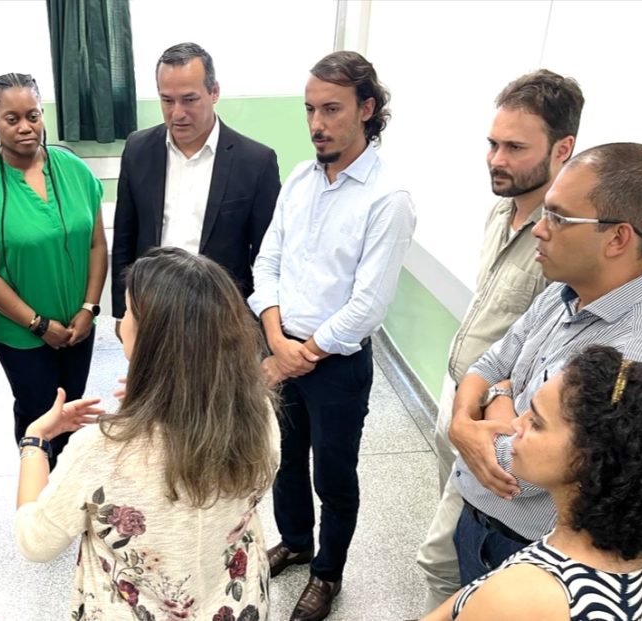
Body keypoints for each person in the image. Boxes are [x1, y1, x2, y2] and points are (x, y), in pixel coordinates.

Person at [446, 142, 642, 588]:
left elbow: (532, 468)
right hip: (480, 519)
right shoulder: (563, 291)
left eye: (558, 217)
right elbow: (491, 360)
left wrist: (494, 399)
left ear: (618, 238)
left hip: (534, 555)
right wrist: (463, 418)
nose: (539, 228)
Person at [15, 247, 280, 620]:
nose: (121, 322)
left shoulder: (101, 450)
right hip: (235, 604)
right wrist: (167, 396)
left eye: (127, 313)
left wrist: (35, 441)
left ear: (151, 339)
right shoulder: (258, 411)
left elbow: (35, 541)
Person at [248, 51, 416, 621]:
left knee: (334, 475)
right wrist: (276, 337)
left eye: (331, 109)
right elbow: (267, 262)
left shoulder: (388, 198)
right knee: (284, 460)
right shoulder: (300, 178)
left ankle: (327, 573)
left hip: (337, 365)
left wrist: (298, 356)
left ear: (366, 109)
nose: (316, 124)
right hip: (282, 343)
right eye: (310, 109)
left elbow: (367, 305)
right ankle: (296, 541)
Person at [417, 70, 585, 611]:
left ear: (562, 149)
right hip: (462, 393)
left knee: (441, 559)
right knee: (460, 540)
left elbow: (541, 360)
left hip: (499, 422)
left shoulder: (561, 243)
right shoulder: (500, 211)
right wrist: (461, 406)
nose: (496, 159)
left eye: (515, 148)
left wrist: (484, 408)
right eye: (493, 144)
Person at [423, 346, 642, 621]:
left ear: (588, 459)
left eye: (536, 423)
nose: (515, 425)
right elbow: (472, 595)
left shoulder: (523, 596)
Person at [0, 73, 107, 466]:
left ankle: (67, 483)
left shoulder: (74, 170)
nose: (25, 127)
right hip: (21, 334)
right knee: (38, 415)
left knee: (71, 410)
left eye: (33, 116)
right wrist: (38, 325)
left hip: (78, 326)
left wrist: (89, 309)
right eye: (12, 118)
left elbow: (96, 244)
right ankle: (36, 487)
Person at [111, 42, 281, 325]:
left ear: (214, 92)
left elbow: (267, 255)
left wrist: (263, 323)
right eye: (167, 100)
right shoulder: (138, 149)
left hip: (221, 317)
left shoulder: (255, 162)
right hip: (151, 310)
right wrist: (122, 313)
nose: (177, 113)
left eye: (189, 100)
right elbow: (125, 238)